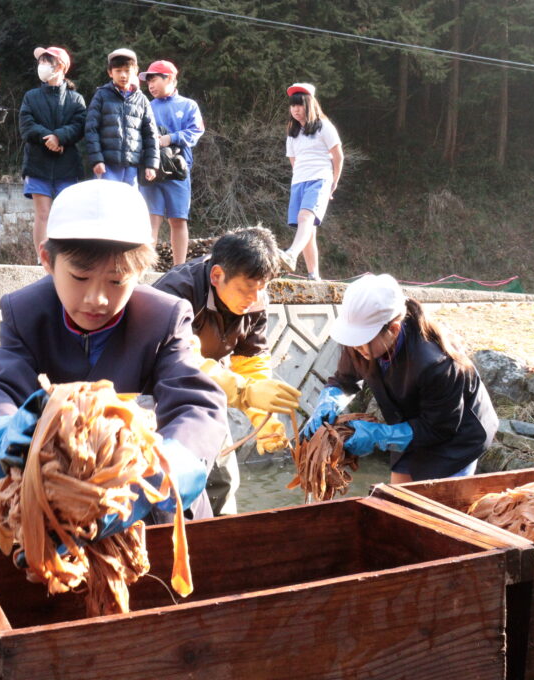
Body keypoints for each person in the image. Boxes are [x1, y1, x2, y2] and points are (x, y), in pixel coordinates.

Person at [0, 179, 229, 527]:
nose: (96, 299)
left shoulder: (163, 318)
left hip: (149, 510)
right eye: (79, 276)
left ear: (141, 271)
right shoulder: (26, 312)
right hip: (57, 512)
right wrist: (1, 431)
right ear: (47, 259)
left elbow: (196, 404)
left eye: (117, 281)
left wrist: (161, 475)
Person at [155, 227, 301, 515]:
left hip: (211, 388)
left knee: (223, 479)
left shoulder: (256, 300)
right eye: (246, 289)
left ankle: (223, 542)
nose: (254, 298)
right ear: (217, 275)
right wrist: (244, 392)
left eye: (262, 287)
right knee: (170, 483)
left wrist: (264, 420)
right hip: (158, 391)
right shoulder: (176, 293)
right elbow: (181, 360)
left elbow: (251, 361)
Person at [303, 273, 498, 483]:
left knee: (435, 503)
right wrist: (328, 402)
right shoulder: (360, 341)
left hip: (455, 437)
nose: (356, 348)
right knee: (396, 499)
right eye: (353, 340)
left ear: (393, 329)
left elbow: (438, 429)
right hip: (407, 422)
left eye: (361, 341)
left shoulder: (437, 364)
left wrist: (379, 436)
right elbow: (345, 380)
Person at [20, 46, 86, 260]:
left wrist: (59, 137)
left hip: (67, 164)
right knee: (42, 214)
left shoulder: (76, 99)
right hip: (37, 162)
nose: (42, 66)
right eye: (41, 61)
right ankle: (43, 259)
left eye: (48, 61)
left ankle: (67, 258)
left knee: (66, 214)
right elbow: (26, 125)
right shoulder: (31, 96)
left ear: (61, 67)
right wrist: (49, 138)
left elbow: (80, 126)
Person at [138, 60, 204, 266]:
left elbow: (196, 131)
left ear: (171, 78)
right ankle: (144, 267)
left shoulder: (188, 105)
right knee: (151, 219)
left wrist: (171, 138)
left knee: (178, 219)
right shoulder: (146, 106)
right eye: (148, 80)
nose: (150, 84)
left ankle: (179, 268)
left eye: (155, 78)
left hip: (177, 169)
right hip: (151, 169)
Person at [278, 83, 343, 281]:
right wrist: (299, 178)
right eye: (293, 106)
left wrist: (334, 182)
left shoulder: (324, 126)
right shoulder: (292, 132)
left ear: (310, 104)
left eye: (300, 105)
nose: (296, 110)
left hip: (320, 178)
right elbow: (293, 161)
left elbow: (338, 155)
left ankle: (291, 254)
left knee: (306, 217)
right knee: (307, 228)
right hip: (299, 181)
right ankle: (313, 274)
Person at [84, 48, 158, 187]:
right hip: (107, 165)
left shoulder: (141, 99)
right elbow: (91, 129)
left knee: (128, 206)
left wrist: (151, 164)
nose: (123, 75)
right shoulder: (101, 95)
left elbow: (151, 134)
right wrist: (96, 159)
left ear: (135, 71)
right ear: (110, 72)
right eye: (118, 71)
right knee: (108, 205)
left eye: (127, 70)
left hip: (132, 165)